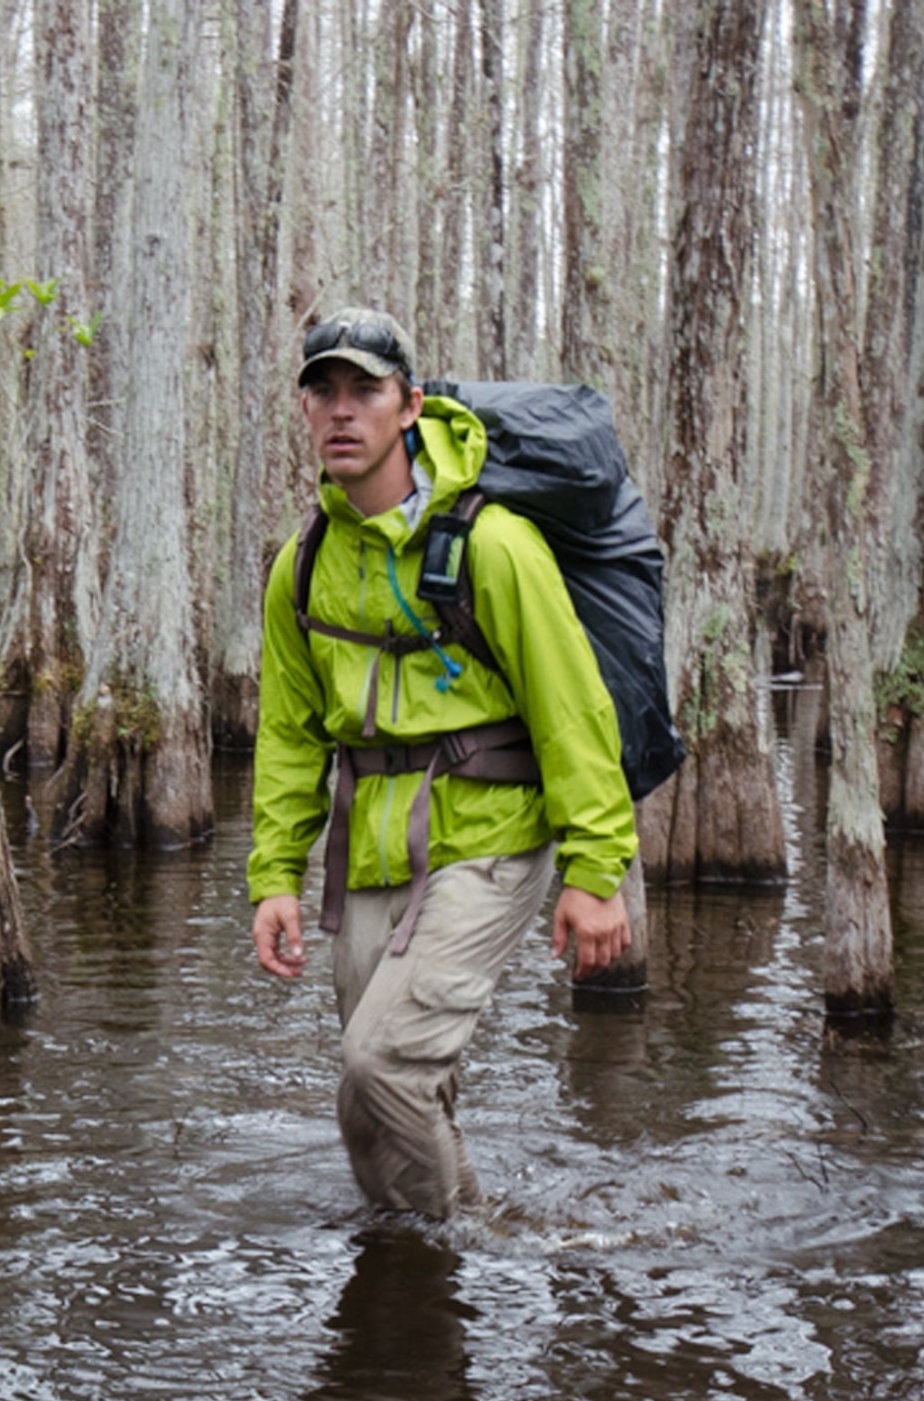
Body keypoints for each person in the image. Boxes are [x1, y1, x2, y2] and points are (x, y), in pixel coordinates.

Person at [247, 307, 638, 1218]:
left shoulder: (493, 544)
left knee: (379, 1062)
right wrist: (274, 874)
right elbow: (292, 731)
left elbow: (569, 706)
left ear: (410, 406)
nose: (342, 411)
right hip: (372, 850)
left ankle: (453, 1247)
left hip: (491, 837)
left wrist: (597, 868)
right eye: (323, 392)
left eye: (365, 391)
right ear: (305, 411)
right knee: (376, 1096)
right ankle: (438, 1262)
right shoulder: (300, 567)